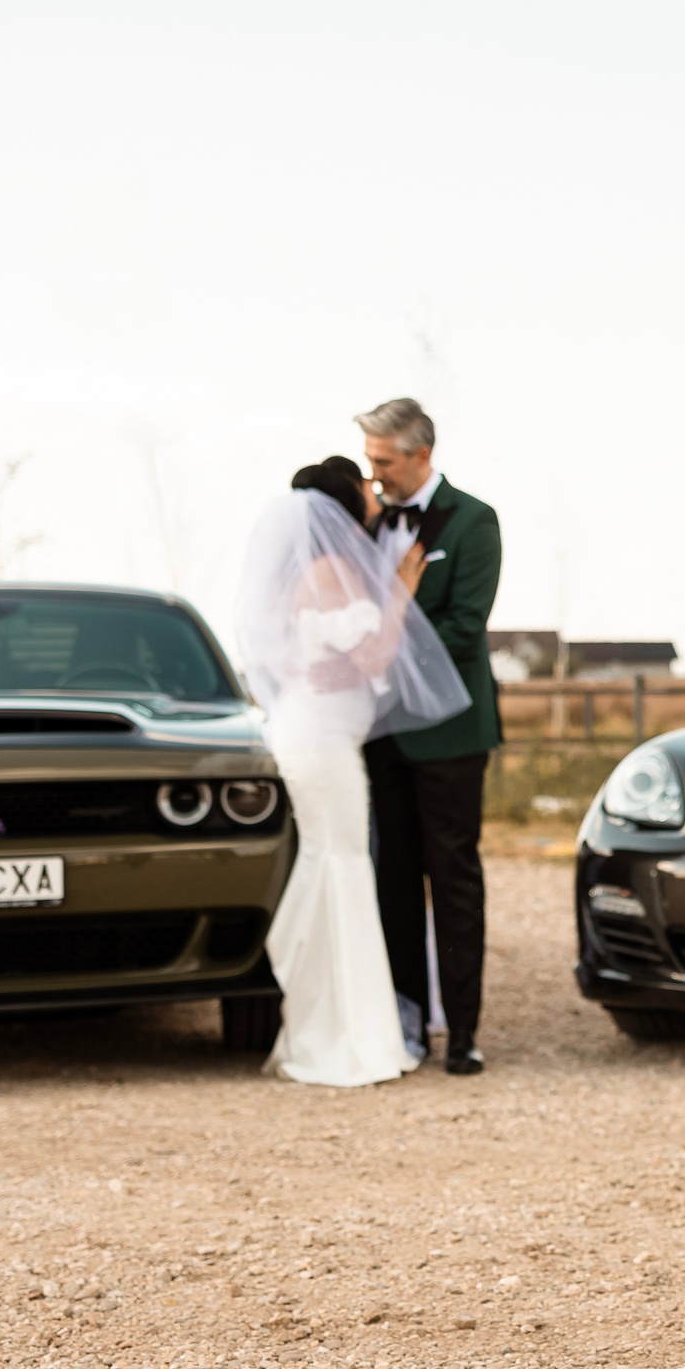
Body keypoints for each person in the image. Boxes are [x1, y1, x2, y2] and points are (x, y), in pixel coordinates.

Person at [233, 456, 469, 1088]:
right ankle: (345, 1035)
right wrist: (398, 595)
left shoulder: (314, 568)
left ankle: (333, 1021)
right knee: (340, 865)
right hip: (322, 741)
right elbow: (372, 654)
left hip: (320, 734)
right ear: (344, 497)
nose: (373, 488)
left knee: (333, 863)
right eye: (363, 481)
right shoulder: (333, 567)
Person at [355, 398, 502, 1076]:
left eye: (383, 460)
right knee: (392, 881)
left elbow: (465, 626)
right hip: (382, 733)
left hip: (450, 733)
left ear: (421, 454)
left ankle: (464, 1032)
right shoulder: (369, 521)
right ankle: (408, 1024)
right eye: (369, 458)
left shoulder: (474, 522)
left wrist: (382, 652)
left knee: (453, 879)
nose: (374, 471)